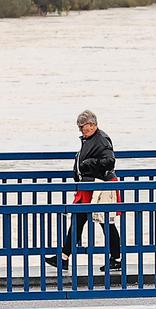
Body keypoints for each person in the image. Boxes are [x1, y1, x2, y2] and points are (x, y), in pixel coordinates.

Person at [46, 109, 122, 272]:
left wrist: (91, 163)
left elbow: (110, 162)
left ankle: (116, 259)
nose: (81, 130)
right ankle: (64, 258)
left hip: (100, 187)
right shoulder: (89, 139)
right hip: (89, 186)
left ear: (93, 125)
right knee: (78, 220)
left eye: (83, 126)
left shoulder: (101, 139)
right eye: (79, 127)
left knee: (106, 223)